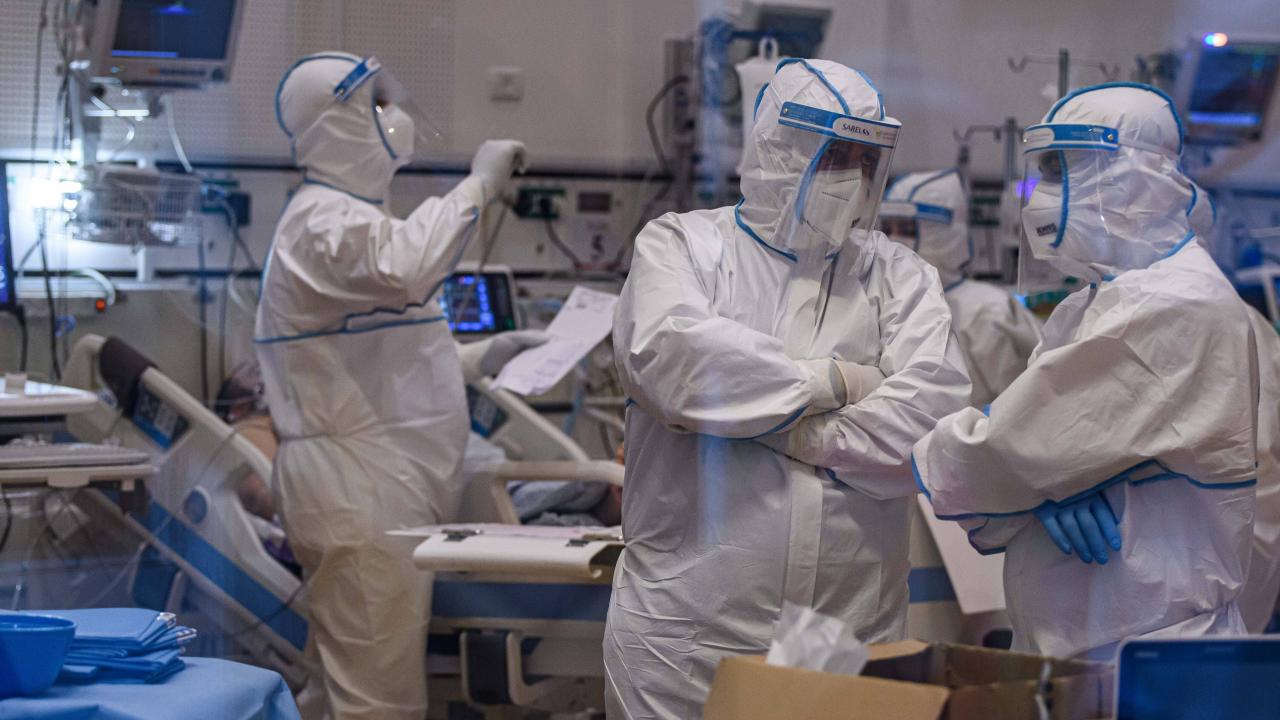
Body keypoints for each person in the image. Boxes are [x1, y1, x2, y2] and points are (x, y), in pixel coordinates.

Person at [606, 58, 970, 718]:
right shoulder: (685, 246)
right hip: (688, 639)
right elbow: (678, 364)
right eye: (835, 155)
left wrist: (780, 429)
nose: (853, 177)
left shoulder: (899, 275)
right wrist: (843, 380)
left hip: (847, 635)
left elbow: (929, 418)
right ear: (781, 148)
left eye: (866, 159)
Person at [913, 82, 1265, 660]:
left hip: (1150, 648)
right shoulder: (1098, 300)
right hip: (1092, 636)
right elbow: (1038, 444)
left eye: (1062, 172)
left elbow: (999, 449)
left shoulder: (1173, 302)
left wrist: (1029, 477)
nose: (1039, 197)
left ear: (1133, 176)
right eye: (1042, 172)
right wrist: (1044, 481)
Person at [255, 52, 544, 719]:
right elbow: (408, 266)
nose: (396, 117)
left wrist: (479, 358)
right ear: (334, 123)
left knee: (345, 696)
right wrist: (479, 185)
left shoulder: (347, 219)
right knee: (377, 706)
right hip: (356, 490)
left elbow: (372, 358)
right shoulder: (320, 222)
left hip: (372, 486)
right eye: (377, 104)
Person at [880, 169, 1042, 407]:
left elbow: (1023, 406)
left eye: (907, 230)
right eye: (888, 229)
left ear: (944, 234)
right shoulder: (886, 305)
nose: (894, 240)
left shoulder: (986, 311)